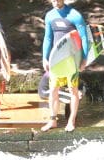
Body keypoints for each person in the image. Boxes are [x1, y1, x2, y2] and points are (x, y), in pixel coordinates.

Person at [40, 0, 89, 132]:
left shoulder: (75, 15)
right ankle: (52, 120)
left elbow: (84, 38)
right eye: (53, 0)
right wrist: (45, 57)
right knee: (53, 90)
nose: (55, 2)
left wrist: (84, 59)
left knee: (73, 91)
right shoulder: (50, 15)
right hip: (56, 61)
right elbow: (48, 38)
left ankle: (71, 121)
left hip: (72, 62)